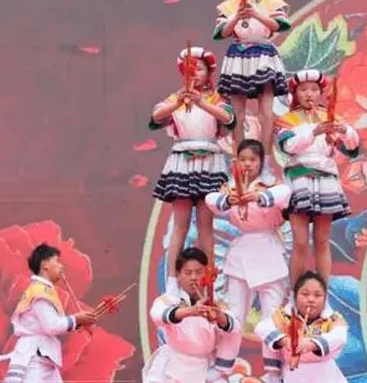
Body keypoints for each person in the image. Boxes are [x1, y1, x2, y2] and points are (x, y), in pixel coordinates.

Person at [150, 46, 236, 295]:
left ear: (208, 73)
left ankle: (210, 283)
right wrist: (179, 101)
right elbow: (155, 117)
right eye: (189, 70)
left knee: (206, 226)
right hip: (182, 162)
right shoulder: (175, 99)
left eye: (199, 69)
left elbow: (228, 118)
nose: (194, 74)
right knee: (181, 225)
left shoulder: (216, 99)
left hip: (209, 161)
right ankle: (172, 281)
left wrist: (202, 103)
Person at [205, 138, 291, 383]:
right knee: (233, 315)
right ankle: (223, 367)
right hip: (241, 254)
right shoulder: (230, 187)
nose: (247, 164)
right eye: (243, 159)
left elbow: (285, 194)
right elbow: (212, 201)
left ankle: (274, 371)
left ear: (261, 162)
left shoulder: (271, 184)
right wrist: (229, 200)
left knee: (272, 317)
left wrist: (258, 196)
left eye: (252, 159)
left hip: (269, 252)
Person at [275, 69, 359, 284]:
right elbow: (288, 147)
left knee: (322, 242)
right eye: (303, 89)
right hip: (299, 180)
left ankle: (323, 293)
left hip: (325, 180)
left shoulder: (330, 117)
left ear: (320, 92)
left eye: (313, 89)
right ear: (295, 93)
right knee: (300, 243)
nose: (309, 94)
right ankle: (296, 292)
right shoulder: (287, 119)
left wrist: (345, 130)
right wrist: (314, 132)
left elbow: (352, 148)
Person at [213, 0, 291, 184]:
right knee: (238, 113)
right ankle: (238, 165)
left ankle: (265, 164)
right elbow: (221, 33)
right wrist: (237, 17)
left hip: (263, 53)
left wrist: (256, 13)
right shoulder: (231, 3)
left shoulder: (271, 1)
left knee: (266, 112)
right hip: (238, 54)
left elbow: (279, 25)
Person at [0, 243, 97, 383]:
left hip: (42, 357)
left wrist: (78, 321)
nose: (61, 266)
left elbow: (50, 324)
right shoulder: (40, 292)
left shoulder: (42, 290)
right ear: (45, 264)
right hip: (34, 359)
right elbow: (52, 326)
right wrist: (76, 319)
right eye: (57, 261)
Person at [143, 247, 241, 383]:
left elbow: (235, 328)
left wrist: (219, 317)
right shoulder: (170, 299)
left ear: (206, 273)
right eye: (188, 273)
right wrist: (191, 311)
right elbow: (157, 315)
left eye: (198, 272)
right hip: (172, 366)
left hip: (205, 368)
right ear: (178, 275)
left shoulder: (215, 302)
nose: (194, 278)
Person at [255, 271, 349, 382]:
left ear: (325, 299)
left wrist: (311, 344)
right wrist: (286, 341)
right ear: (295, 297)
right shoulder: (285, 316)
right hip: (294, 374)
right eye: (305, 294)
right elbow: (261, 328)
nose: (311, 300)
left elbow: (340, 336)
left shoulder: (333, 318)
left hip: (326, 375)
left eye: (317, 295)